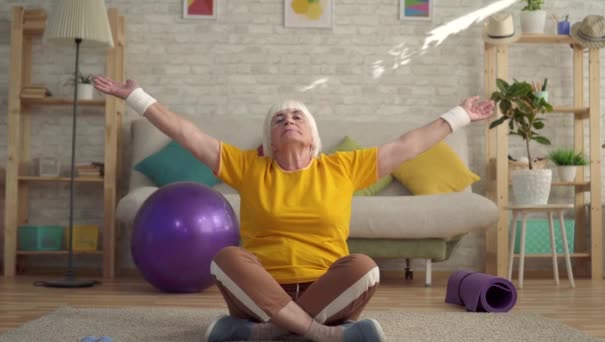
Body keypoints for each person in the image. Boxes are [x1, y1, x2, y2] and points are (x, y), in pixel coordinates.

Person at [93, 76, 494, 342]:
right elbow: (187, 134)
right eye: (279, 118)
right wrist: (136, 97)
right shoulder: (249, 167)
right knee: (226, 257)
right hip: (260, 292)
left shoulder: (342, 167)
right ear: (267, 140)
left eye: (297, 116)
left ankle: (260, 334)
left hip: (328, 291)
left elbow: (409, 144)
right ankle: (320, 334)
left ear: (313, 134)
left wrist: (460, 116)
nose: (288, 120)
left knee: (364, 266)